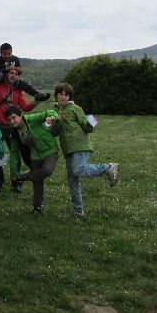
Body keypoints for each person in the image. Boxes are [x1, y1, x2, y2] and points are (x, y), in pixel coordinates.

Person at [48, 83, 119, 217]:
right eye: (61, 94)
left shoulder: (75, 108)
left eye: (66, 95)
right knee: (73, 180)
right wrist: (57, 121)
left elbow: (86, 126)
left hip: (80, 145)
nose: (63, 97)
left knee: (77, 170)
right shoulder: (55, 112)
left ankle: (108, 167)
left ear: (69, 97)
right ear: (56, 95)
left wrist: (91, 123)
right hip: (68, 149)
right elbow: (54, 132)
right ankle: (78, 211)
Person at [0, 65, 38, 193]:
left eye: (16, 74)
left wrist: (36, 101)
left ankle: (16, 181)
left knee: (15, 154)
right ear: (6, 74)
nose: (14, 75)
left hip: (13, 128)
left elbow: (26, 107)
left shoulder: (18, 91)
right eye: (11, 73)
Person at [5, 105, 59, 214]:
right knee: (37, 181)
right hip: (34, 156)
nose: (12, 121)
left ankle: (25, 176)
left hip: (49, 150)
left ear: (20, 115)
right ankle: (37, 207)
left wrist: (51, 117)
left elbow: (48, 112)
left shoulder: (32, 119)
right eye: (9, 120)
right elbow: (14, 153)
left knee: (47, 170)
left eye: (14, 117)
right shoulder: (14, 134)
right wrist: (14, 172)